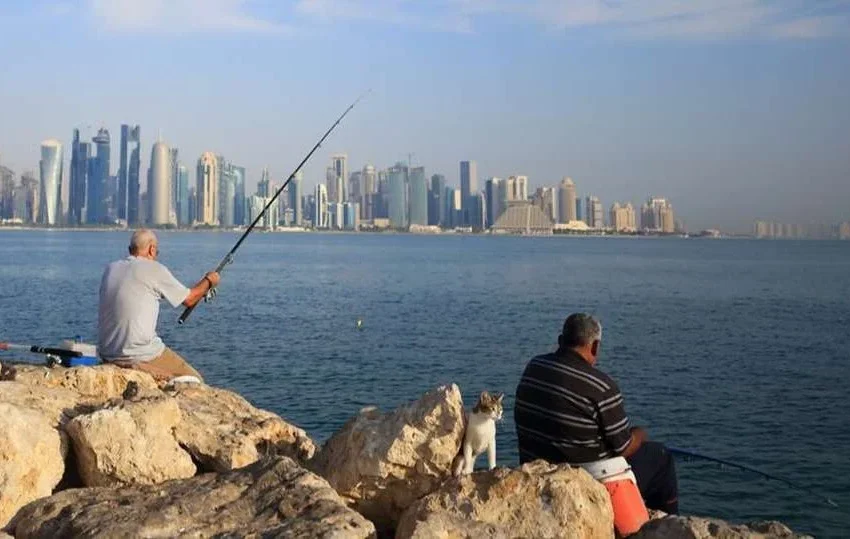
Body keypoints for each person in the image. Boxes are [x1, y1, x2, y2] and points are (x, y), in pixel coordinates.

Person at [514, 313, 679, 514]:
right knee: (660, 456)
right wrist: (639, 434)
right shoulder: (602, 387)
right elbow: (624, 447)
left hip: (537, 470)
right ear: (595, 347)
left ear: (560, 341)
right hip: (588, 480)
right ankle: (666, 525)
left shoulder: (534, 366)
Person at [97, 229, 220, 383]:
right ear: (151, 249)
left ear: (130, 250)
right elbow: (189, 299)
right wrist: (209, 280)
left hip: (107, 353)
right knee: (194, 380)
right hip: (139, 354)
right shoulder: (154, 269)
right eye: (157, 251)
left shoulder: (111, 268)